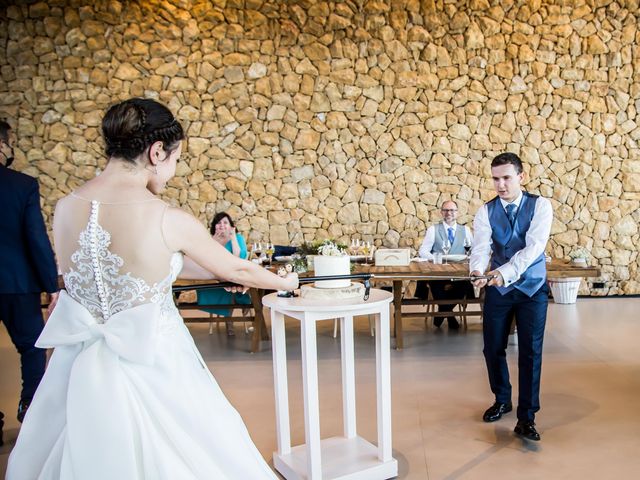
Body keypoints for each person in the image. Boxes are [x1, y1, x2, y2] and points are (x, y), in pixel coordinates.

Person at [6, 98, 298, 479]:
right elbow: (236, 266)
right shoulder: (165, 217)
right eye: (175, 159)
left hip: (74, 364)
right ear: (156, 151)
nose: (173, 171)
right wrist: (285, 281)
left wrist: (217, 271)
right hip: (154, 360)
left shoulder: (65, 208)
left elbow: (129, 270)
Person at [470, 152, 552, 441]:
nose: (501, 185)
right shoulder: (485, 211)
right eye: (496, 179)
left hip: (532, 289)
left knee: (530, 352)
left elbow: (534, 248)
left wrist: (503, 273)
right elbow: (480, 247)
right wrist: (478, 271)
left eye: (506, 177)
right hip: (498, 290)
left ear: (521, 176)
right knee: (492, 347)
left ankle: (526, 417)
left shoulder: (541, 206)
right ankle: (502, 399)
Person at [0, 120, 59, 446]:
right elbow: (35, 238)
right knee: (32, 348)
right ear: (3, 145)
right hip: (16, 284)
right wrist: (51, 286)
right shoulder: (22, 185)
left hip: (17, 282)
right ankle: (30, 408)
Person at [415, 200, 474, 329]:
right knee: (436, 285)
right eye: (446, 210)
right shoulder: (433, 229)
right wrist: (436, 258)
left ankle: (441, 313)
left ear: (457, 213)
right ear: (441, 212)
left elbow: (473, 250)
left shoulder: (466, 230)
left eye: (452, 210)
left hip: (459, 271)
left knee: (465, 285)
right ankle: (450, 315)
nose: (449, 213)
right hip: (438, 271)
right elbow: (423, 251)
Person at [197, 212, 251, 336]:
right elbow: (206, 258)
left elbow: (239, 258)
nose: (222, 225)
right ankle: (235, 314)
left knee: (233, 284)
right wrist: (214, 240)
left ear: (231, 226)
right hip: (215, 279)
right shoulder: (210, 239)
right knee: (227, 287)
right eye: (219, 222)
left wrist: (232, 239)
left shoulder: (238, 238)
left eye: (225, 222)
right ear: (214, 226)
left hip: (233, 276)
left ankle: (230, 320)